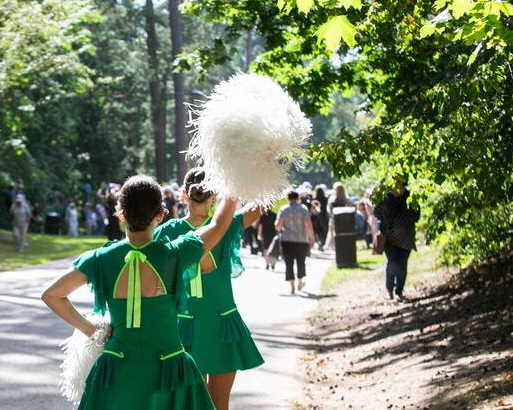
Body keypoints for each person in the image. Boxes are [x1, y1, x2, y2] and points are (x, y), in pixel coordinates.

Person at [42, 175, 241, 410]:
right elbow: (219, 224)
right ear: (160, 214)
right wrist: (234, 181)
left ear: (121, 214)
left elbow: (52, 295)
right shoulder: (176, 253)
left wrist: (91, 329)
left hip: (117, 367)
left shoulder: (100, 258)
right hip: (169, 367)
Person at [152, 168, 264, 410]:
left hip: (183, 326)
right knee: (219, 405)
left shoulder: (165, 232)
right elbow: (263, 203)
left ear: (184, 195)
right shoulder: (229, 225)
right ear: (215, 195)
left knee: (190, 406)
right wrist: (259, 163)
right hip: (223, 323)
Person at [374, 179, 420, 301]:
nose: (399, 188)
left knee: (403, 265)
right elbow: (377, 213)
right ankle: (389, 289)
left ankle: (399, 291)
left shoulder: (410, 197)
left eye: (401, 185)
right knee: (393, 262)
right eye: (396, 185)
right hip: (389, 239)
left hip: (406, 238)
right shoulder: (385, 198)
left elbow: (417, 216)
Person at [276, 190, 315, 294]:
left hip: (287, 240)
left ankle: (292, 286)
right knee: (301, 261)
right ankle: (300, 282)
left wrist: (283, 228)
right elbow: (308, 224)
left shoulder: (283, 209)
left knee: (289, 262)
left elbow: (278, 226)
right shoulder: (303, 209)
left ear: (288, 198)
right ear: (298, 198)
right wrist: (311, 237)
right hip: (301, 239)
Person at [324, 182, 352, 251]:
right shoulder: (332, 199)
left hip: (341, 220)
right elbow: (328, 208)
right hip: (335, 219)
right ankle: (334, 247)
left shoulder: (346, 199)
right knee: (333, 233)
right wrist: (331, 215)